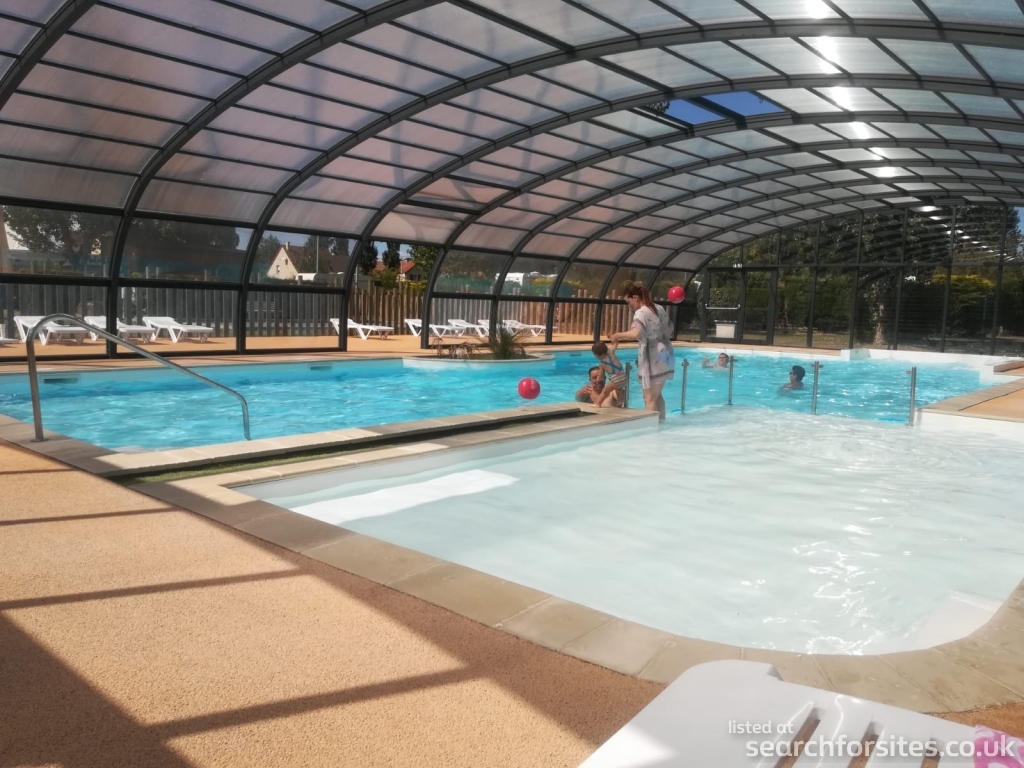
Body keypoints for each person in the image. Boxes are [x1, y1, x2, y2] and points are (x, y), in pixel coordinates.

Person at [608, 284, 675, 421]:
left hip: (653, 357)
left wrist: (617, 335)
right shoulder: (658, 308)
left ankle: (651, 430)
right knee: (657, 395)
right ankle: (662, 424)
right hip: (666, 354)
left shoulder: (641, 312)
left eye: (629, 302)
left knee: (649, 398)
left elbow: (636, 333)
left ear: (635, 298)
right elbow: (670, 329)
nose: (629, 306)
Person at [591, 339, 627, 407]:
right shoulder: (611, 352)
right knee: (618, 389)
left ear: (596, 355)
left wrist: (598, 379)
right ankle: (619, 401)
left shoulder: (602, 364)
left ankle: (598, 404)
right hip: (623, 376)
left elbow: (601, 375)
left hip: (615, 379)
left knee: (605, 391)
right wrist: (613, 338)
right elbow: (616, 343)